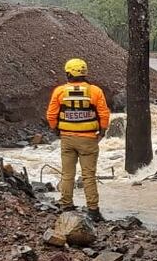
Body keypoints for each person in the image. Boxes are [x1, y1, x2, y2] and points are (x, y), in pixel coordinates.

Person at [46, 58, 110, 222]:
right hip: (89, 139)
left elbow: (51, 115)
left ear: (69, 73)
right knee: (88, 176)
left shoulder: (60, 91)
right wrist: (102, 132)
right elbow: (104, 114)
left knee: (67, 174)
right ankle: (93, 211)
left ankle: (66, 206)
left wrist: (56, 130)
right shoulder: (95, 91)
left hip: (67, 138)